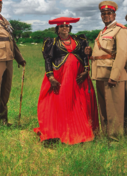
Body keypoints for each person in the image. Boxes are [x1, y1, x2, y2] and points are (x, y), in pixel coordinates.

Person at [34, 17, 98, 145]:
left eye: (67, 26)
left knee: (78, 102)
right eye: (62, 27)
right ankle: (57, 131)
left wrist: (86, 70)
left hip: (77, 77)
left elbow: (84, 56)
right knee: (60, 102)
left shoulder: (79, 40)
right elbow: (48, 60)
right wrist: (51, 77)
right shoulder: (51, 42)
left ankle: (81, 131)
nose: (65, 28)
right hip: (60, 77)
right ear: (57, 29)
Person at [85, 1, 127, 140]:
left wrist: (114, 76)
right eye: (103, 14)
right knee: (104, 108)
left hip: (112, 75)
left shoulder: (120, 30)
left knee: (114, 109)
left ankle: (115, 138)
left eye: (108, 13)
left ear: (114, 14)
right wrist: (90, 52)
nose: (106, 16)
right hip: (100, 75)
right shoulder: (102, 32)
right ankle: (106, 135)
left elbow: (122, 55)